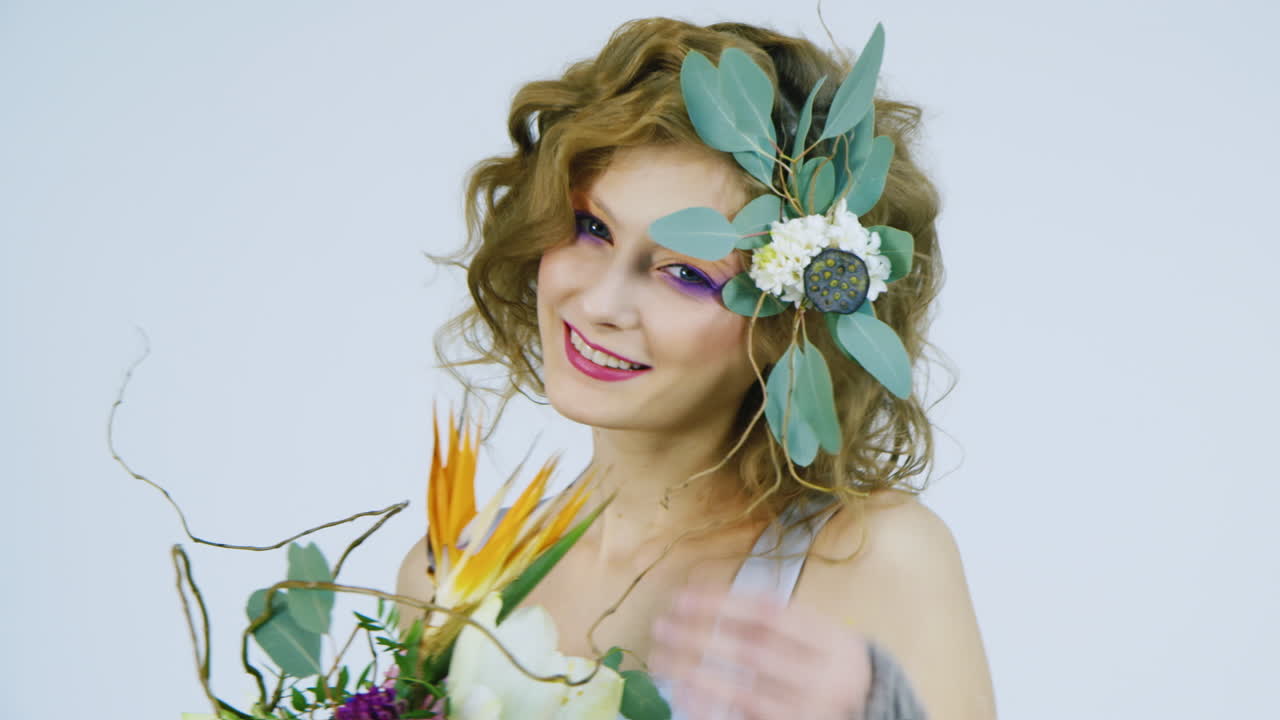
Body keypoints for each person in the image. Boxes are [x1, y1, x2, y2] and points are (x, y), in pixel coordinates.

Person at [398, 16, 996, 720]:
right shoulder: (448, 571)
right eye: (592, 228)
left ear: (790, 324)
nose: (599, 303)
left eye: (685, 272)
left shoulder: (873, 558)